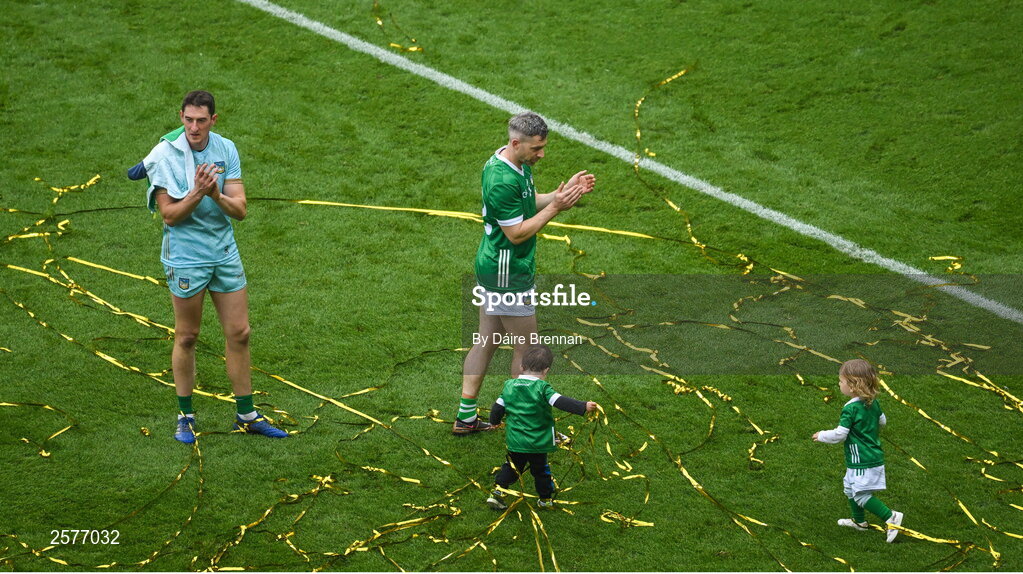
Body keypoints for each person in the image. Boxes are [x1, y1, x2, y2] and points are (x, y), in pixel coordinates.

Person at [141, 90, 287, 443]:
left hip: (223, 252)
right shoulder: (164, 156)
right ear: (181, 117)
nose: (194, 127)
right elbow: (170, 216)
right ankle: (186, 416)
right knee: (187, 335)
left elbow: (240, 210)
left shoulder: (226, 149)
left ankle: (247, 414)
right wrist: (196, 192)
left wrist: (215, 194)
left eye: (201, 120)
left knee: (240, 333)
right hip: (186, 256)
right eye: (188, 119)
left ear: (213, 120)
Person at [454, 111, 596, 434]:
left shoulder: (513, 163)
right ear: (516, 143)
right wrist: (555, 208)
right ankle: (525, 424)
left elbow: (528, 203)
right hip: (508, 275)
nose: (541, 154)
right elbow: (517, 232)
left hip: (495, 268)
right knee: (529, 352)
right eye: (536, 148)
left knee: (487, 340)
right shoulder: (502, 180)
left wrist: (559, 197)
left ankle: (465, 417)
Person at [485, 344, 598, 510]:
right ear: (546, 370)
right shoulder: (543, 388)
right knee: (541, 471)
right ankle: (545, 500)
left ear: (522, 367)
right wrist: (583, 406)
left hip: (516, 441)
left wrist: (494, 422)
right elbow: (560, 402)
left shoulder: (509, 385)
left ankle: (498, 492)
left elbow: (497, 408)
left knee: (512, 466)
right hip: (538, 443)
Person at [813, 359, 903, 542]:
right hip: (869, 455)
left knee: (861, 494)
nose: (839, 384)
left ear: (853, 386)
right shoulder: (873, 403)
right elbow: (882, 421)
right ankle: (859, 522)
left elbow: (840, 434)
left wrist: (821, 435)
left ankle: (890, 516)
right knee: (849, 487)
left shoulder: (850, 409)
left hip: (862, 459)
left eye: (841, 381)